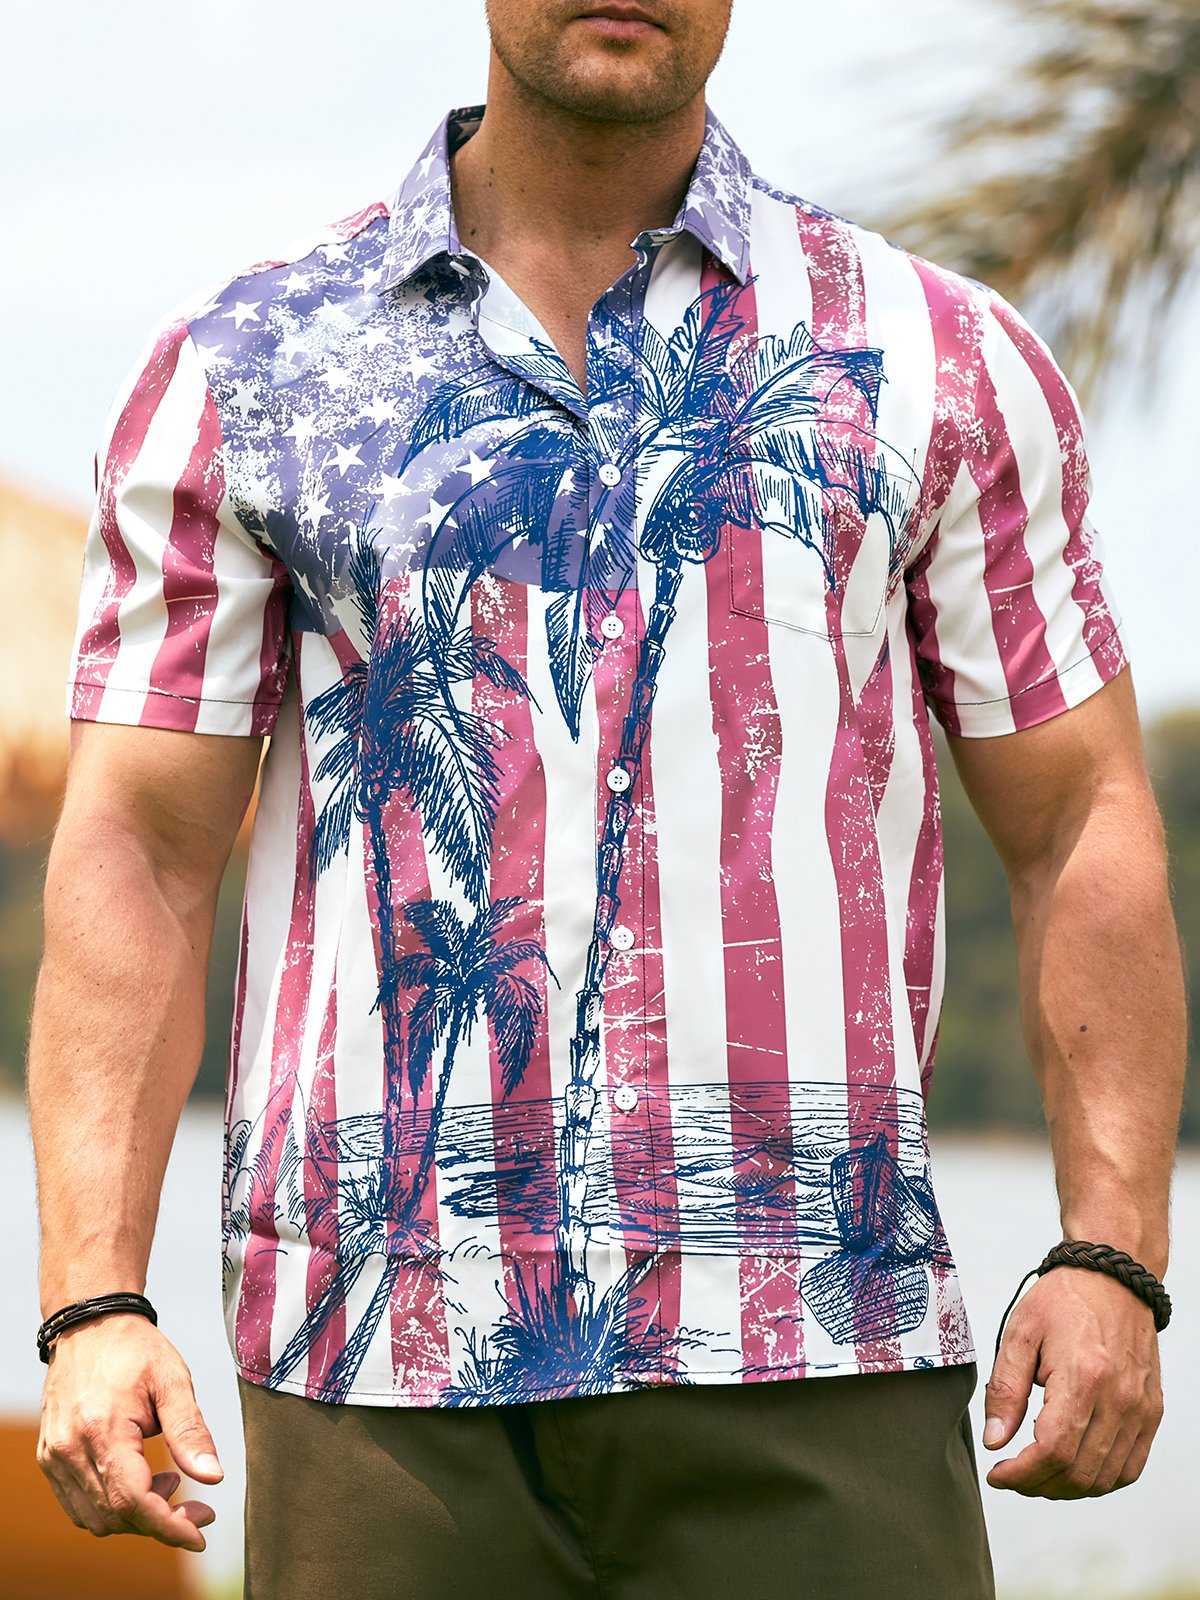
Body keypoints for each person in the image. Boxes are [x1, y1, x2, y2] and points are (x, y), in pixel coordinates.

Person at [29, 2, 1185, 1596]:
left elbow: (1079, 817)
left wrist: (1113, 1250)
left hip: (820, 1348)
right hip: (376, 1371)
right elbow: (141, 847)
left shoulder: (938, 357)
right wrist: (93, 1298)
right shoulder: (250, 366)